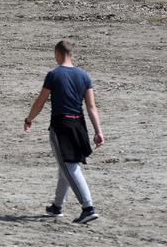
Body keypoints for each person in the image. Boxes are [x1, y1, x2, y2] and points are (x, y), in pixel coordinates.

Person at [24, 40, 104, 225]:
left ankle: (88, 208)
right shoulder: (84, 75)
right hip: (79, 125)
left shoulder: (54, 74)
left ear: (57, 54)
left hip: (61, 126)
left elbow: (40, 101)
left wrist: (29, 119)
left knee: (69, 167)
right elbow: (91, 107)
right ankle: (57, 206)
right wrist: (98, 131)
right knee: (66, 166)